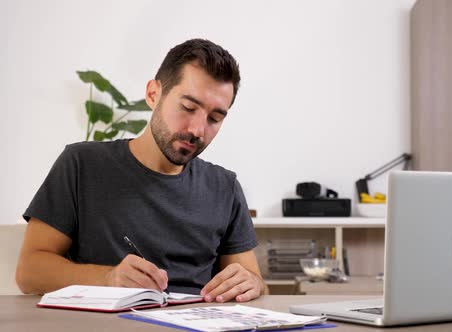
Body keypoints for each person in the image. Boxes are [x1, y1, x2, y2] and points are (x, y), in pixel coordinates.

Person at [16, 38, 267, 303]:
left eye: (214, 118)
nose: (197, 130)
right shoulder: (81, 164)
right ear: (153, 94)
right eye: (188, 107)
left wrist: (252, 284)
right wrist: (108, 278)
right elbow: (30, 272)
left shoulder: (224, 186)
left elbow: (256, 283)